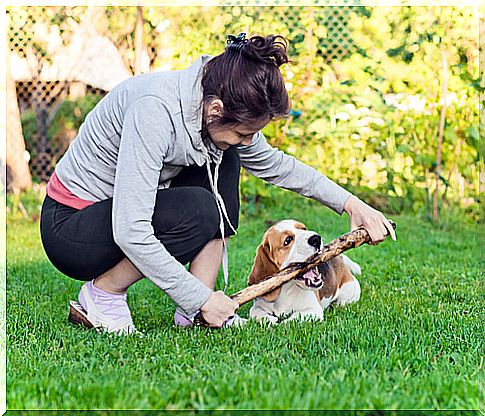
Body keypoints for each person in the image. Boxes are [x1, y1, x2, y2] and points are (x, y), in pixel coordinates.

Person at [40, 33, 396, 335]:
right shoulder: (154, 112)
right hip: (72, 225)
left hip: (112, 216)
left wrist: (351, 204)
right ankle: (102, 296)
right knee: (197, 209)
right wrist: (199, 297)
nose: (248, 140)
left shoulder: (215, 110)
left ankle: (195, 314)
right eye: (244, 132)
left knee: (227, 158)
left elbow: (276, 165)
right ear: (215, 109)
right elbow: (130, 229)